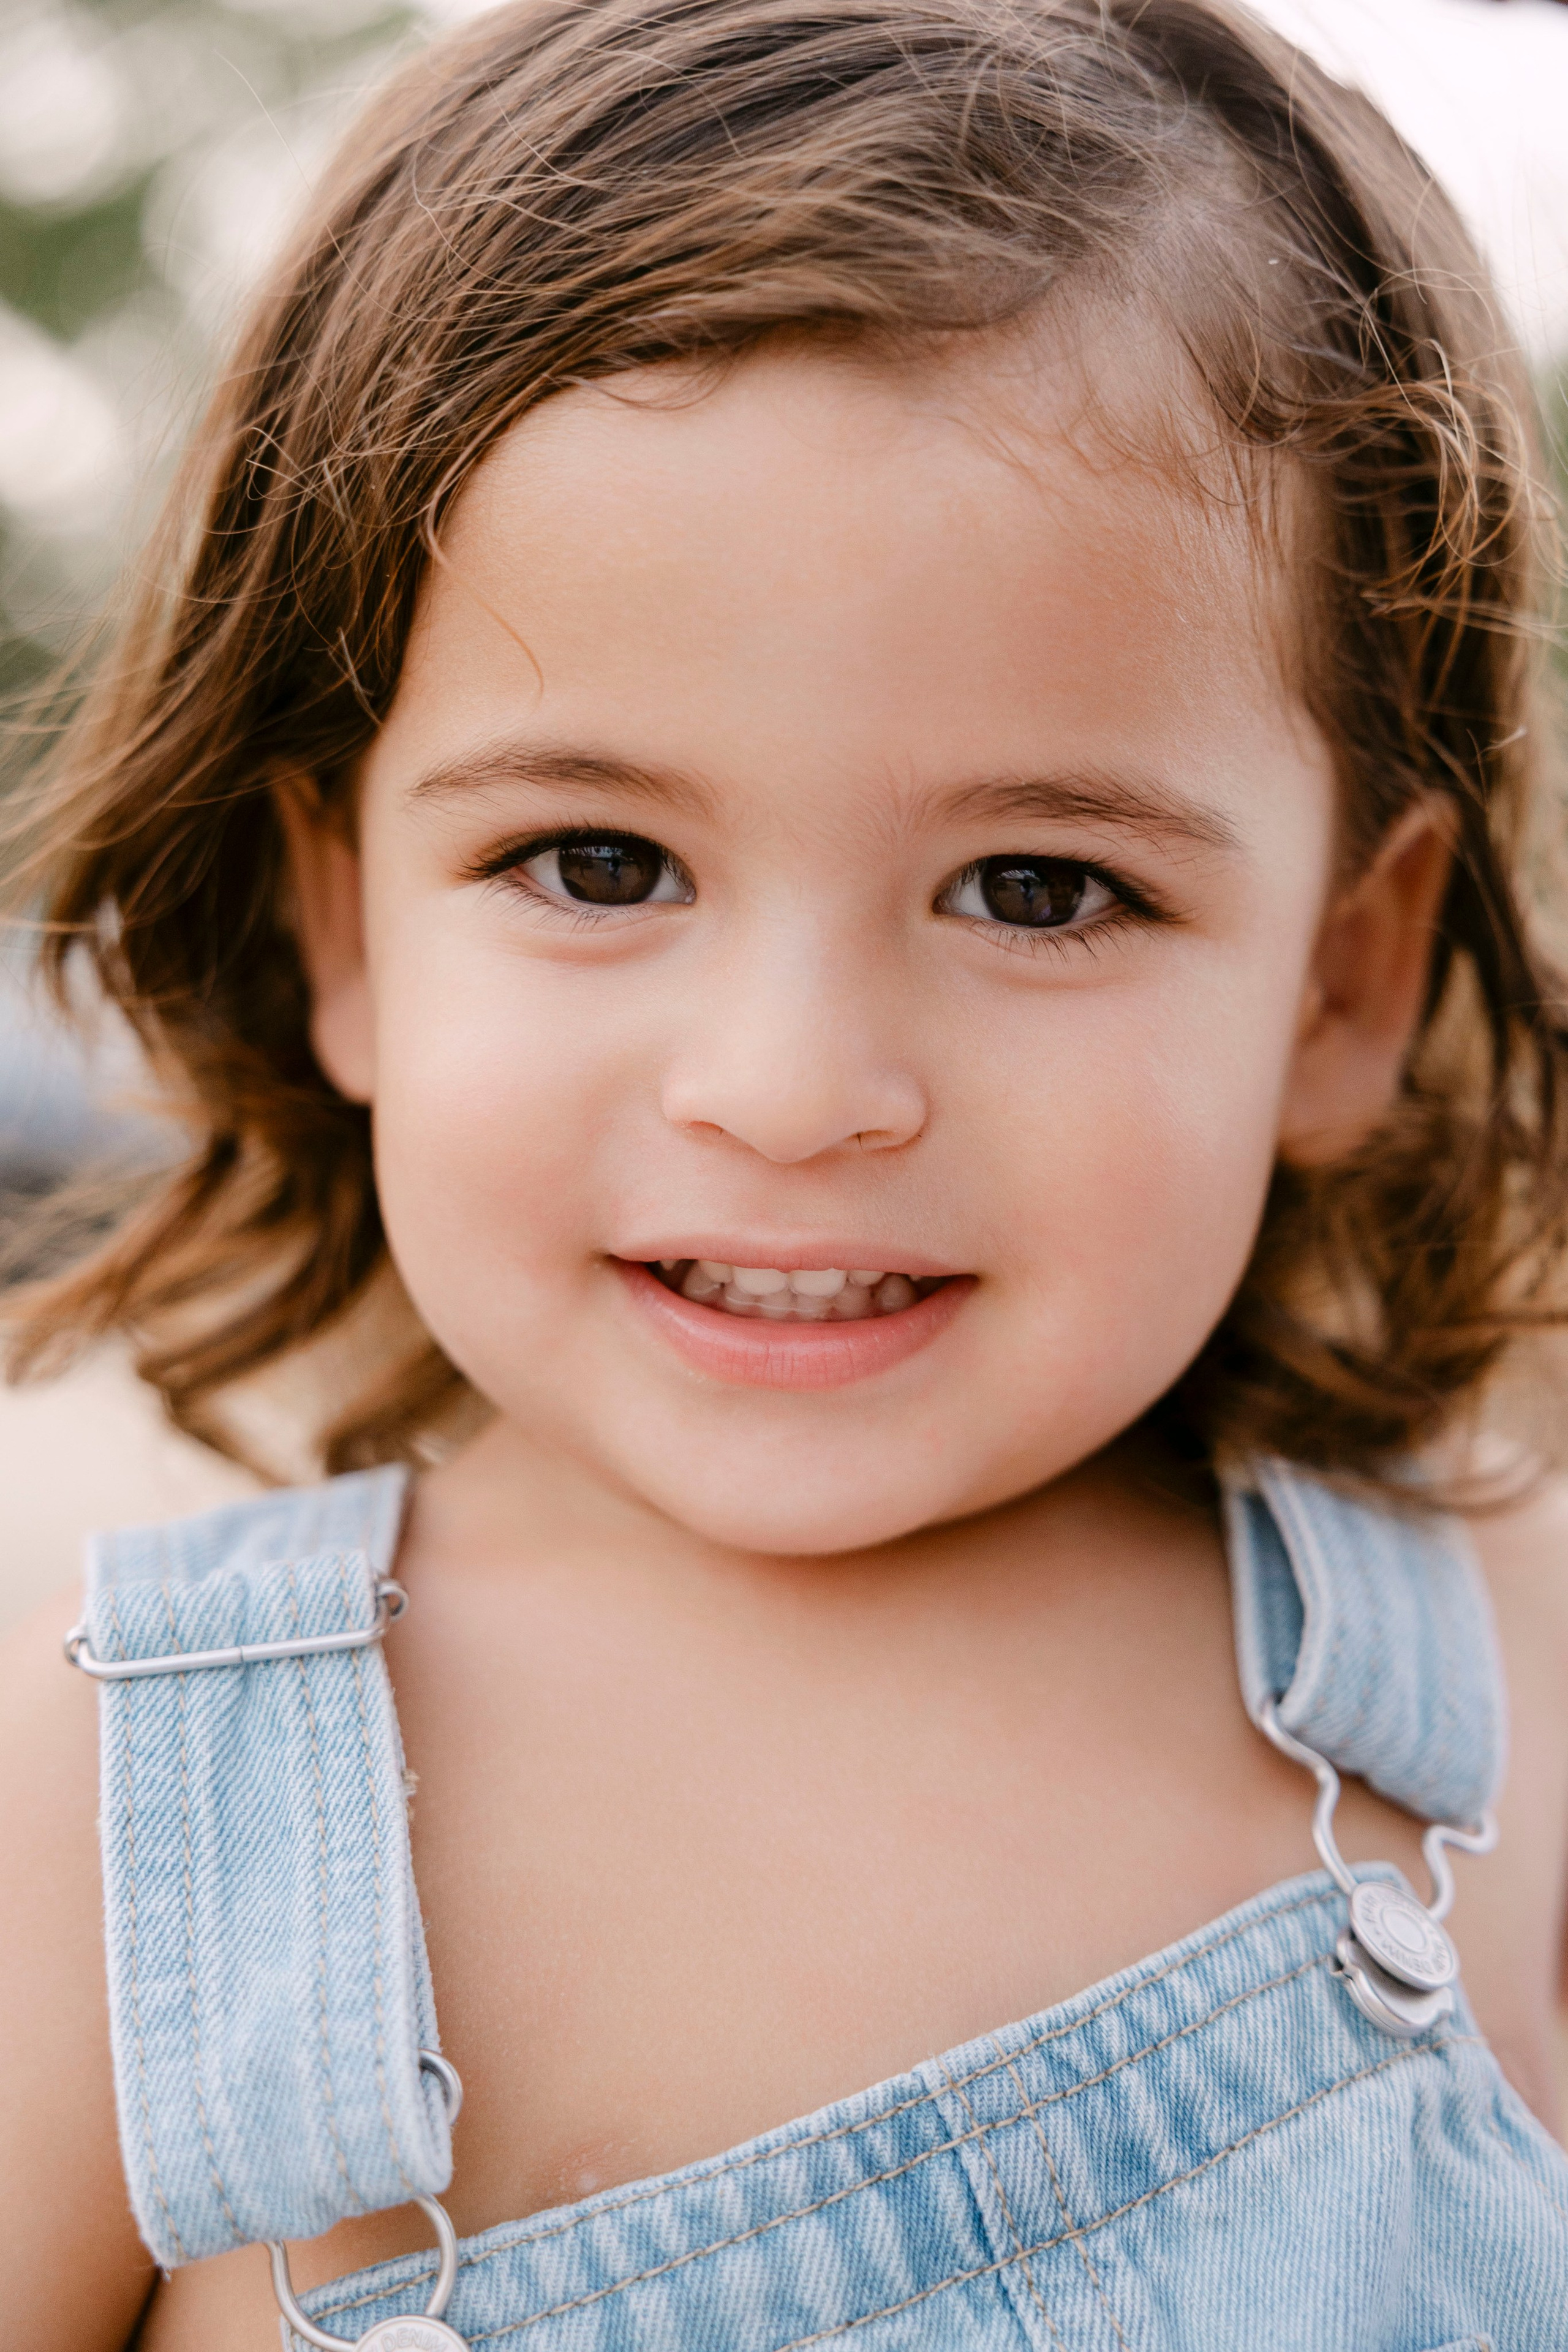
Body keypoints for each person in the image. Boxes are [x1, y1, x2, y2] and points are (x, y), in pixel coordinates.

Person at [4, 0, 1567, 2343]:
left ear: (1343, 986)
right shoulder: (96, 1726)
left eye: (1042, 890)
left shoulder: (1493, 1650)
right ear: (341, 922)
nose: (797, 1088)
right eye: (599, 860)